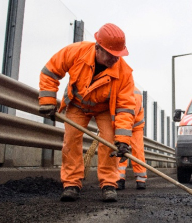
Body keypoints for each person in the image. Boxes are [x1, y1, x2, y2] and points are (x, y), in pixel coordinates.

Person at [38, 23, 136, 202]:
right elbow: (49, 72)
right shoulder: (76, 52)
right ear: (97, 48)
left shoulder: (124, 73)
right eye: (111, 55)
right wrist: (47, 101)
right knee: (71, 141)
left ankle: (109, 184)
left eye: (118, 55)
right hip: (78, 105)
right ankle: (71, 184)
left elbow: (125, 108)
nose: (116, 59)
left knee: (109, 143)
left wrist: (122, 141)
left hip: (105, 109)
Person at [116, 87, 148, 190]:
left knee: (136, 151)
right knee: (120, 150)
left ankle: (140, 178)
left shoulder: (133, 92)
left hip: (134, 126)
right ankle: (119, 178)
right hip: (123, 124)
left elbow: (129, 112)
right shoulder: (121, 89)